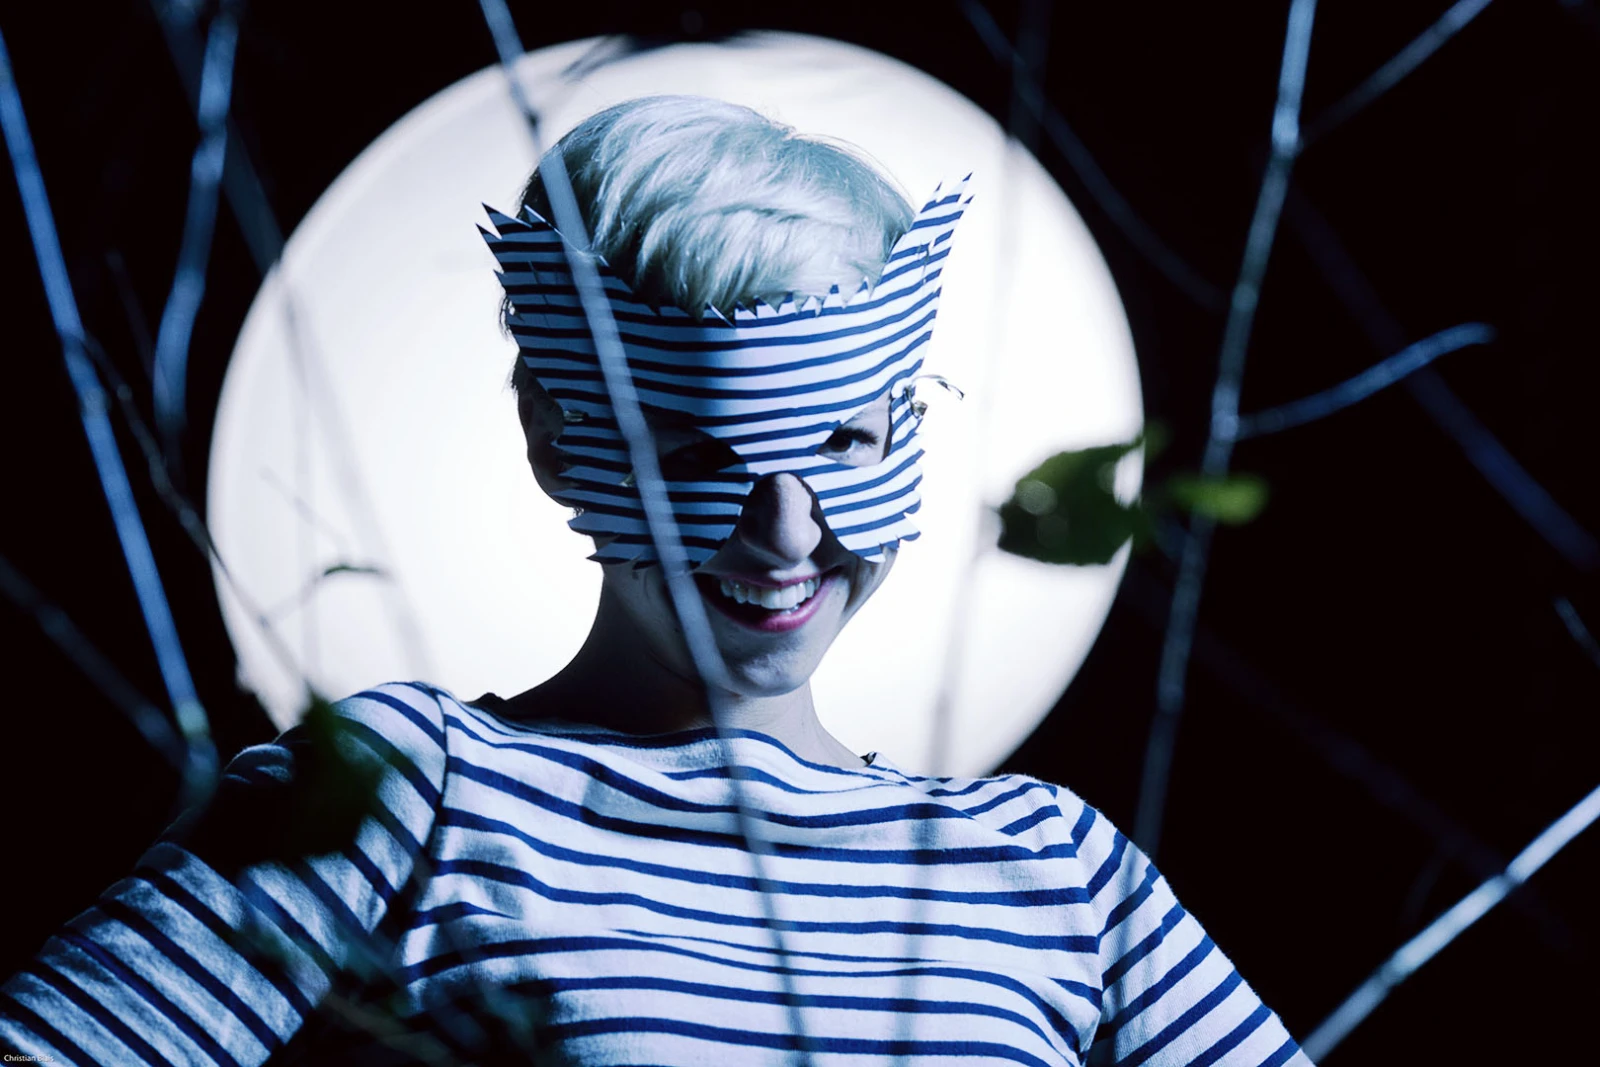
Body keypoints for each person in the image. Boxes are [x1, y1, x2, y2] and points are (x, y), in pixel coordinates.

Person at [0, 96, 1312, 1066]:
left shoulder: (1050, 862)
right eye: (699, 456)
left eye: (843, 445)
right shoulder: (415, 787)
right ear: (558, 438)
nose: (786, 533)